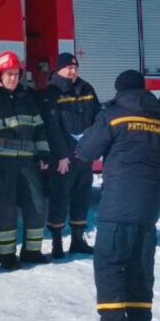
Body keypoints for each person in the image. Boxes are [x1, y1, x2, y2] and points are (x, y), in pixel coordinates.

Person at [75, 70, 160, 321]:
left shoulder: (112, 116)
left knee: (108, 260)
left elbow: (86, 151)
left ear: (120, 91)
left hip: (118, 204)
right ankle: (140, 319)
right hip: (149, 206)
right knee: (140, 262)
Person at [0, 51, 51, 269]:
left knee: (37, 207)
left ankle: (32, 251)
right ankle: (6, 255)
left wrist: (44, 154)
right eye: (9, 74)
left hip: (27, 163)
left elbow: (39, 128)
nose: (13, 78)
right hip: (1, 164)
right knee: (4, 210)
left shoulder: (26, 97)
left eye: (16, 74)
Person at [41, 52, 101, 258]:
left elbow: (97, 118)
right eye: (68, 67)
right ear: (59, 69)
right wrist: (61, 155)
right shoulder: (52, 92)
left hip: (84, 154)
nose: (73, 70)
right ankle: (56, 243)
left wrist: (92, 146)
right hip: (64, 158)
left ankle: (77, 240)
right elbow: (52, 127)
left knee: (82, 196)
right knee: (60, 197)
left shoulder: (87, 89)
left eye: (75, 67)